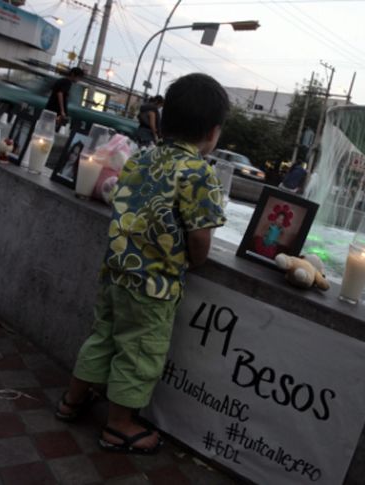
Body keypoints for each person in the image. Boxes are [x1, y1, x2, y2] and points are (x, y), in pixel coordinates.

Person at [54, 73, 229, 454]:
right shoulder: (200, 172)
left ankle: (72, 400)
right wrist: (193, 262)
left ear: (164, 120)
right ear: (213, 133)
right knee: (140, 352)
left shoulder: (141, 158)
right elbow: (200, 237)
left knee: (102, 337)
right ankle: (118, 426)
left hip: (116, 272)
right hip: (155, 285)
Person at [46, 67, 85, 131]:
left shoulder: (61, 80)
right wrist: (62, 111)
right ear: (73, 75)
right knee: (51, 129)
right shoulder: (67, 82)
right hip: (55, 110)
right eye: (78, 77)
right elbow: (60, 93)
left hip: (50, 107)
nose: (78, 80)